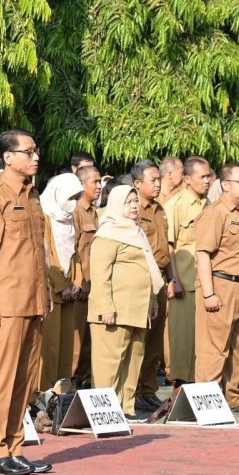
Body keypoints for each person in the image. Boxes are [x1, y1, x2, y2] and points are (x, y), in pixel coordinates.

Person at [0, 129, 51, 475]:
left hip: (33, 303)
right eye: (28, 152)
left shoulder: (33, 197)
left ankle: (14, 447)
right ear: (8, 157)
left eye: (36, 152)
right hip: (6, 305)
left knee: (24, 381)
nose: (35, 158)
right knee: (2, 380)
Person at [88, 185, 164, 420]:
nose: (133, 206)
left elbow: (146, 270)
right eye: (128, 202)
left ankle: (126, 407)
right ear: (116, 204)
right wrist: (105, 307)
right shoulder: (108, 233)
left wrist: (152, 301)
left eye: (135, 201)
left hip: (138, 308)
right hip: (115, 310)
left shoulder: (136, 231)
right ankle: (105, 410)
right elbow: (100, 274)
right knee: (110, 361)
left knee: (134, 359)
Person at [194, 163, 239, 410]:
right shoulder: (216, 213)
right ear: (225, 185)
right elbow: (203, 254)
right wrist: (209, 293)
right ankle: (207, 400)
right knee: (214, 349)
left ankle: (231, 397)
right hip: (222, 285)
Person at [163, 156, 211, 389]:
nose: (207, 180)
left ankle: (198, 380)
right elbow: (169, 245)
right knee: (181, 337)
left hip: (205, 282)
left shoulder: (209, 204)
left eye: (209, 175)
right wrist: (174, 279)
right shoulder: (176, 205)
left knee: (200, 338)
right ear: (187, 179)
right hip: (184, 279)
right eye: (202, 176)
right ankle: (179, 383)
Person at [129, 160, 173, 410]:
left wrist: (172, 277)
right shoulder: (133, 210)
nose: (158, 184)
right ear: (137, 184)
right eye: (152, 180)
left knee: (155, 341)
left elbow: (167, 247)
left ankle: (148, 389)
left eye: (159, 179)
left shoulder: (159, 209)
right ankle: (133, 390)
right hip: (142, 281)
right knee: (139, 339)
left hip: (161, 281)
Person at [38, 172, 84, 390]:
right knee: (50, 345)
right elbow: (46, 255)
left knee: (67, 344)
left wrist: (77, 280)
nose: (73, 203)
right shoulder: (44, 216)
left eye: (77, 198)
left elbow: (74, 252)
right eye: (70, 197)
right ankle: (45, 390)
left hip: (70, 290)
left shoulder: (70, 220)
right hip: (52, 290)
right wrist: (61, 285)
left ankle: (62, 389)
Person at [72, 165, 102, 383]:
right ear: (82, 185)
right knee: (76, 341)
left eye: (100, 182)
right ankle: (69, 385)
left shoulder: (94, 211)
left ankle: (83, 380)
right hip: (81, 286)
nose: (99, 186)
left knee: (90, 340)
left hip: (95, 283)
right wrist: (79, 281)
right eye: (95, 182)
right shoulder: (75, 211)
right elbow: (73, 250)